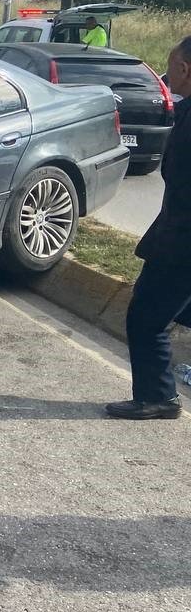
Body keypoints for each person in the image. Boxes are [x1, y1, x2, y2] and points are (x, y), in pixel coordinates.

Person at [106, 35, 191, 419]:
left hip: (181, 242)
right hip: (176, 235)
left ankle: (158, 397)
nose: (167, 73)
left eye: (170, 66)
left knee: (146, 317)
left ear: (185, 69)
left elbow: (180, 182)